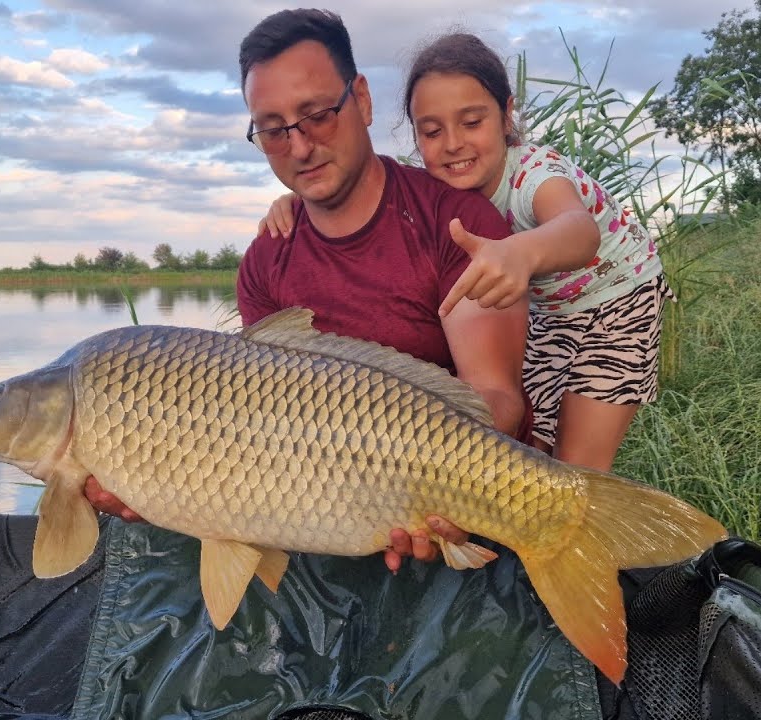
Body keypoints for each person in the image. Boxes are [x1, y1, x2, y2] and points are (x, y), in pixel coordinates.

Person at [86, 11, 532, 574]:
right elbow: (261, 424)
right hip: (326, 517)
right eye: (273, 129)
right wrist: (156, 484)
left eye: (317, 116)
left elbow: (496, 395)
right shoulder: (266, 261)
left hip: (467, 510)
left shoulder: (458, 226)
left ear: (362, 100)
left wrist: (437, 488)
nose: (299, 147)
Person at [260, 32, 673, 473]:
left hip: (618, 305)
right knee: (533, 450)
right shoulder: (441, 190)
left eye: (472, 122)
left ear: (507, 116)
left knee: (578, 469)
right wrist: (296, 198)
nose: (453, 144)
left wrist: (522, 253)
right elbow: (357, 180)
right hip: (549, 313)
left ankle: (614, 513)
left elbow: (579, 231)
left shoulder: (535, 175)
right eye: (432, 131)